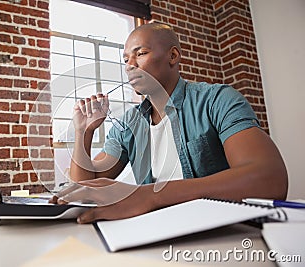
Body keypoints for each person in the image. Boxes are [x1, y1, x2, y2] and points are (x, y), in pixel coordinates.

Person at [51, 23, 288, 224]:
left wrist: (150, 196)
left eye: (140, 53)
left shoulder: (217, 100)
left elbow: (269, 178)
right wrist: (83, 131)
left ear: (173, 56)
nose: (129, 65)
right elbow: (84, 189)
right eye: (125, 59)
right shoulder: (127, 125)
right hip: (157, 231)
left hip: (216, 231)